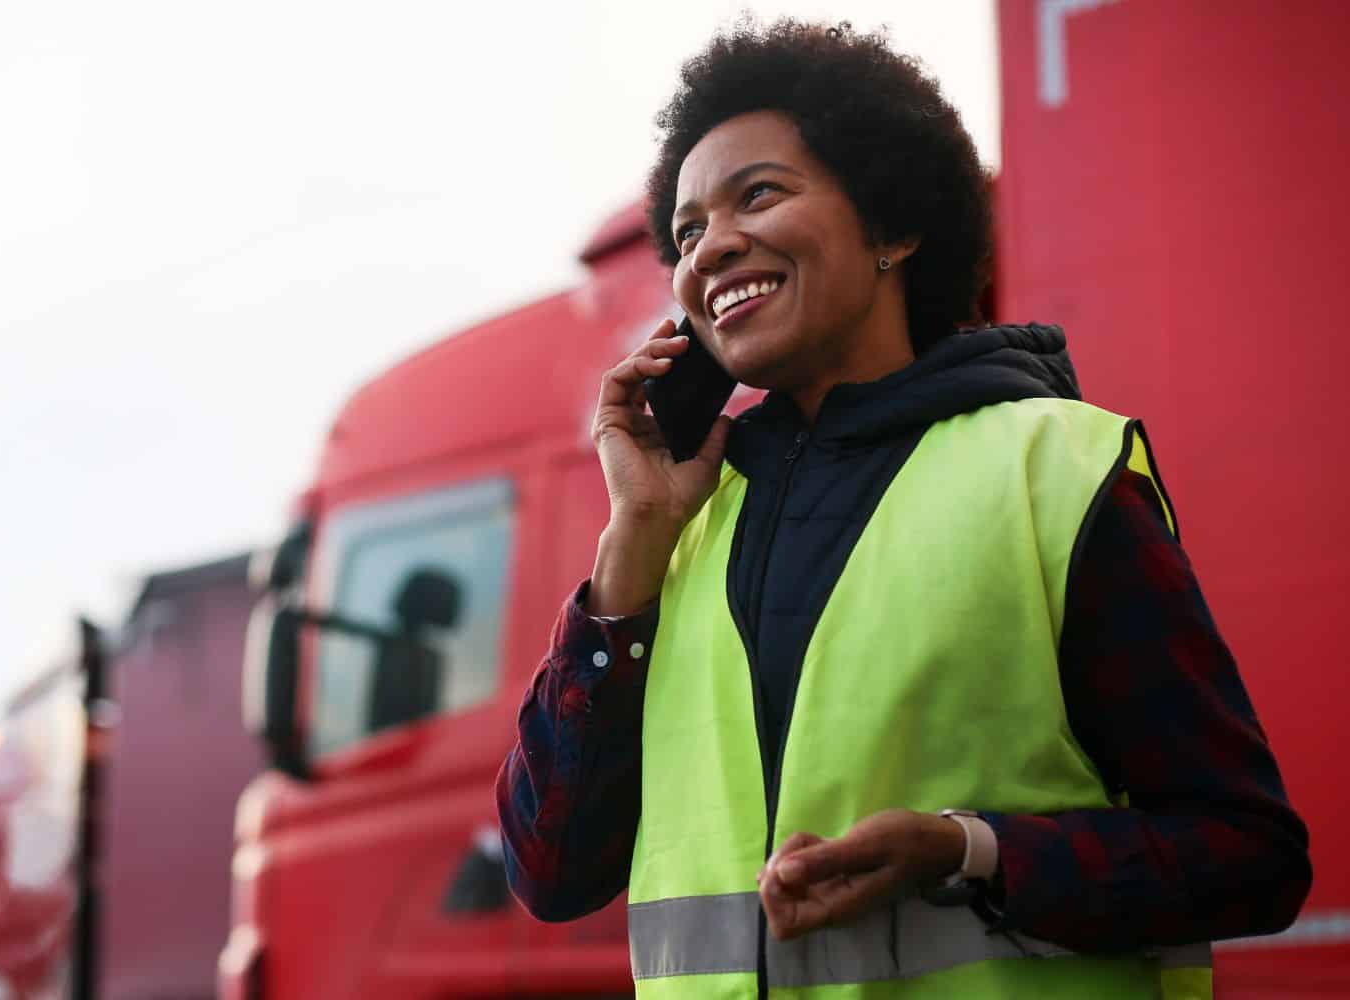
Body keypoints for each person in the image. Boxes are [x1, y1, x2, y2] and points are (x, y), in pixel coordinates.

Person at [494, 19, 1309, 1000]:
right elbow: (547, 872)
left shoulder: (1052, 469)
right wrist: (635, 536)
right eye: (687, 231)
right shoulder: (678, 530)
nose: (713, 249)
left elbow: (1248, 853)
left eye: (758, 194)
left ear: (893, 226)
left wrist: (968, 852)